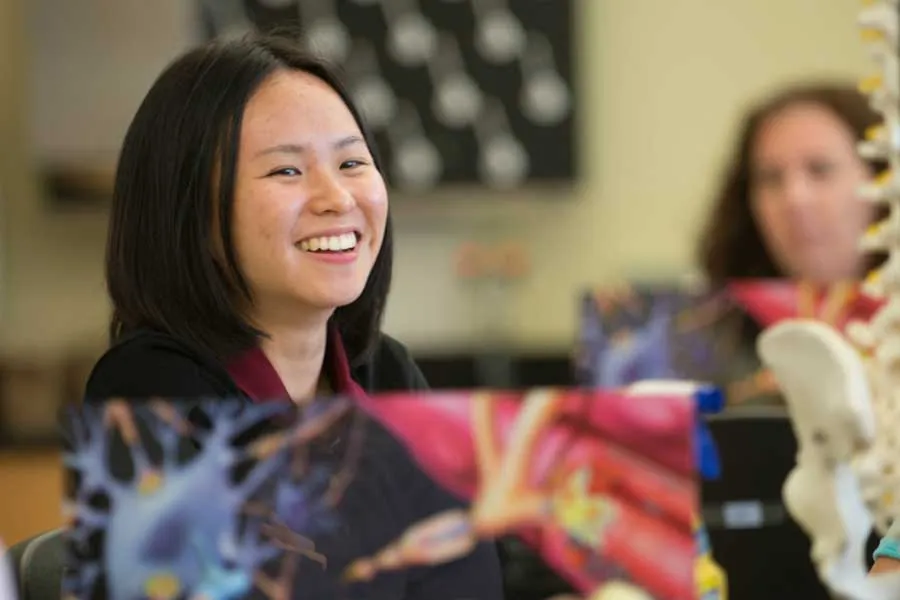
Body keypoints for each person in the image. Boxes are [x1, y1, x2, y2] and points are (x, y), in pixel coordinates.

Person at [76, 33, 503, 599]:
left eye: (352, 161)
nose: (337, 198)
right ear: (192, 213)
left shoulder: (387, 373)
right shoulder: (149, 388)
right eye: (286, 172)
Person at [693, 82, 884, 406]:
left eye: (820, 170)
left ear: (882, 182)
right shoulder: (701, 332)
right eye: (770, 178)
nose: (794, 199)